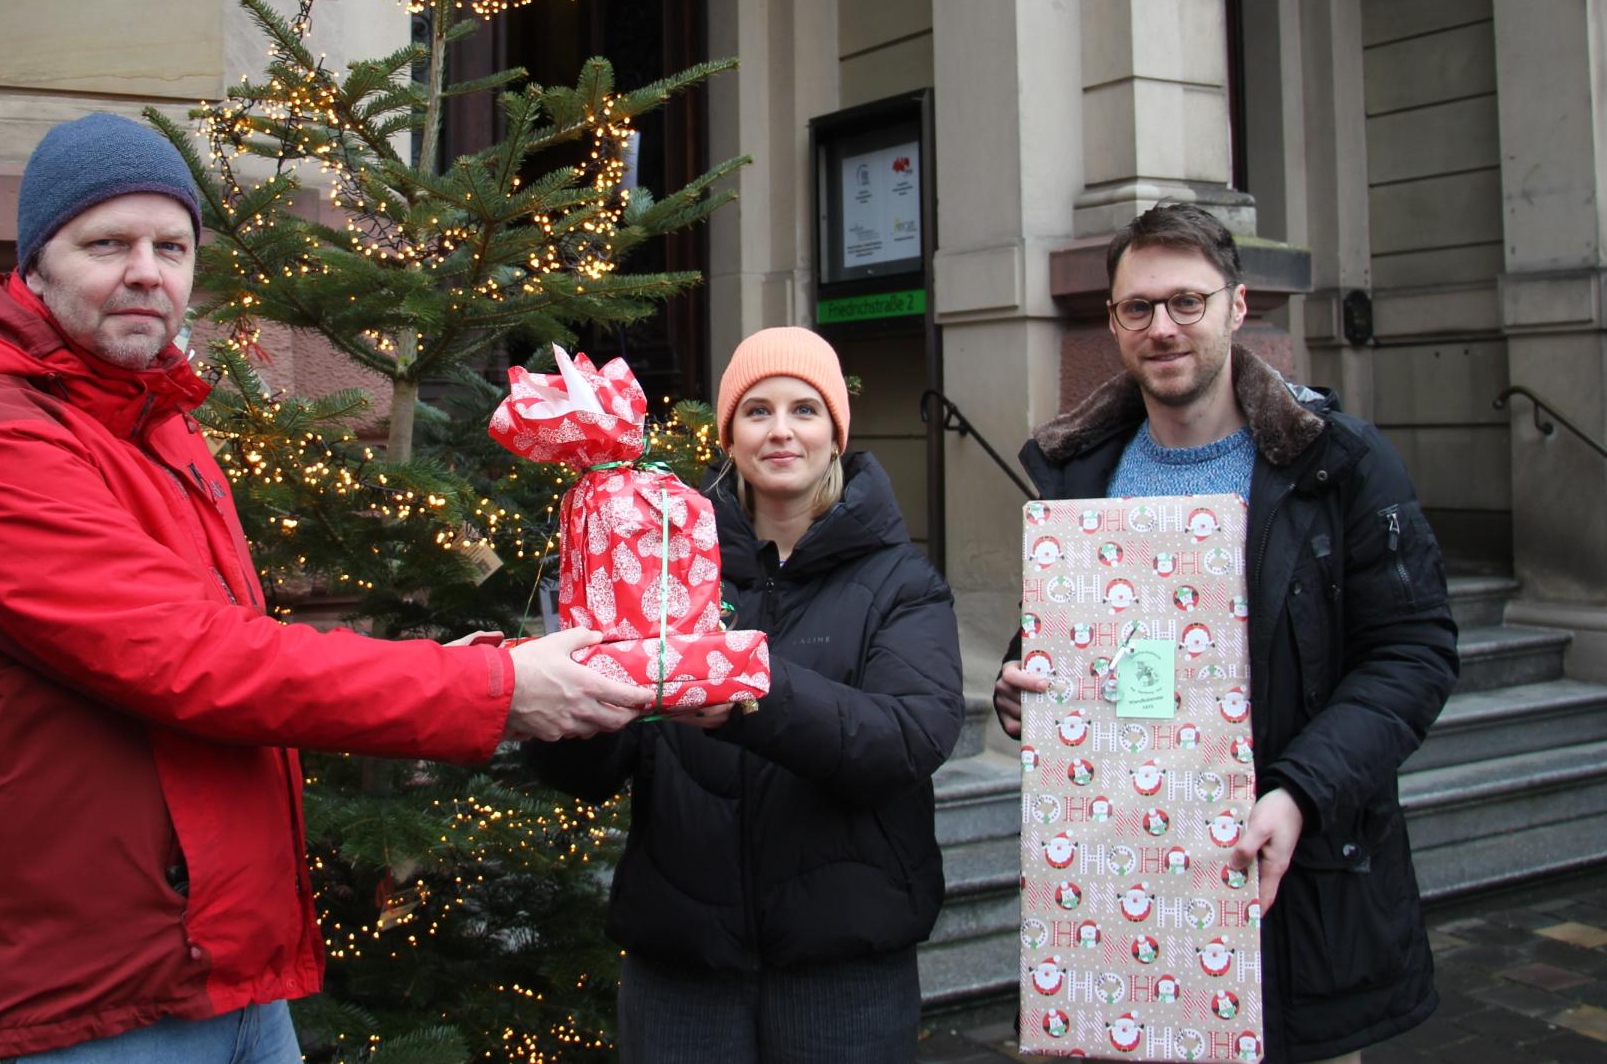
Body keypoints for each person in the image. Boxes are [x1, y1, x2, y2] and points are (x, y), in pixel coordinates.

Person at [0, 113, 655, 1063]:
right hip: (101, 1001)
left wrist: (474, 667)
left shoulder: (157, 422)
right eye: (107, 243)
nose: (146, 271)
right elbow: (194, 663)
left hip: (231, 971)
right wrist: (492, 692)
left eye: (172, 245)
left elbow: (221, 647)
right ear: (33, 267)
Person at [993, 203, 1458, 1064]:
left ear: (1237, 308)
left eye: (1187, 303)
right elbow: (1066, 644)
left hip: (1297, 892)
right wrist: (1023, 685)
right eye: (1139, 307)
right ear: (1113, 321)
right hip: (1121, 897)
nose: (1162, 327)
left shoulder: (1338, 465)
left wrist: (1301, 792)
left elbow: (1415, 653)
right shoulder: (1079, 475)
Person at [527, 327, 964, 1064]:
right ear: (729, 435)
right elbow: (586, 776)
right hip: (683, 969)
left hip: (843, 972)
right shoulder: (656, 561)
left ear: (835, 432)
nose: (782, 431)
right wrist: (569, 703)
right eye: (758, 411)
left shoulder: (903, 583)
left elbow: (907, 739)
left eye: (805, 409)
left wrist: (745, 692)